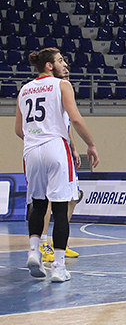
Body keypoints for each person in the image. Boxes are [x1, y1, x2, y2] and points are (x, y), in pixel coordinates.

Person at [16, 48, 99, 282]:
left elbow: (18, 130)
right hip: (55, 146)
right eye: (61, 60)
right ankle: (59, 268)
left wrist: (37, 137)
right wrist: (91, 144)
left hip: (31, 150)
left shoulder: (24, 90)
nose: (65, 64)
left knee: (38, 204)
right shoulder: (62, 85)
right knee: (61, 209)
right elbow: (75, 119)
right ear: (49, 65)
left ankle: (34, 251)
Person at [38, 58, 96, 262]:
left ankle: (59, 242)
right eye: (62, 63)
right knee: (46, 199)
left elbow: (67, 126)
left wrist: (74, 149)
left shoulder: (65, 92)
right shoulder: (52, 90)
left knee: (73, 196)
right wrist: (90, 144)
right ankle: (42, 243)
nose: (66, 68)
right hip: (49, 148)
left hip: (64, 150)